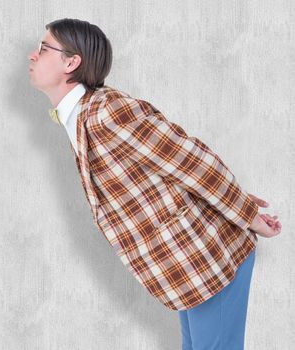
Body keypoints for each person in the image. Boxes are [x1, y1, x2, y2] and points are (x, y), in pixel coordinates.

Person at [28, 18, 281, 349]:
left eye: (44, 48)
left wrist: (247, 214)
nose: (33, 55)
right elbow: (167, 170)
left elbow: (190, 159)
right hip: (188, 266)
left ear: (71, 62)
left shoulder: (107, 112)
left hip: (212, 254)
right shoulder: (82, 120)